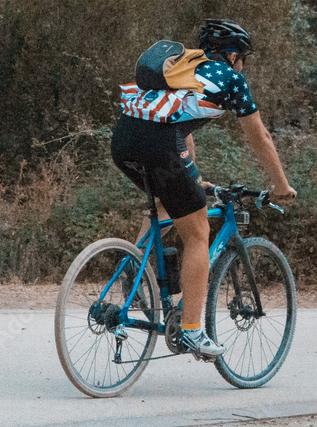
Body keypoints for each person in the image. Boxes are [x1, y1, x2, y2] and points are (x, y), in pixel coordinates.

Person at [110, 19, 297, 359]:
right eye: (242, 57)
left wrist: (192, 177)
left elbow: (179, 123)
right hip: (162, 147)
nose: (243, 65)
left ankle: (133, 274)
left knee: (167, 205)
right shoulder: (230, 79)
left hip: (123, 142)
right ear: (232, 55)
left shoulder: (182, 69)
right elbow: (260, 137)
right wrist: (281, 186)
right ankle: (193, 331)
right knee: (198, 233)